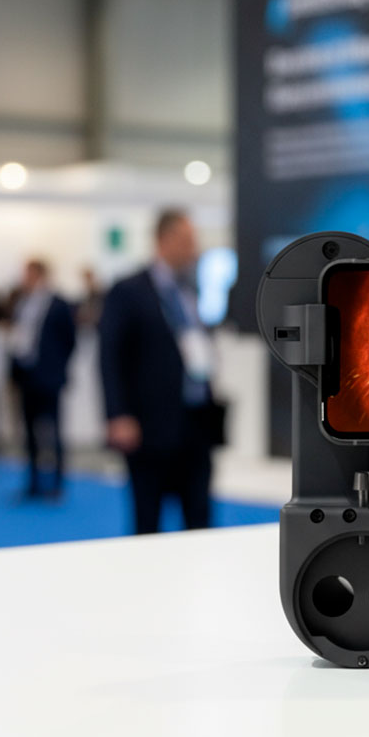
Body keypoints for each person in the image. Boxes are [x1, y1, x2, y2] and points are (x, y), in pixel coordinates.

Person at [99, 209, 223, 534]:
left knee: (199, 516)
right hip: (149, 425)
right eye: (186, 240)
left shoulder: (189, 290)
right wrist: (118, 414)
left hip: (196, 421)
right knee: (148, 519)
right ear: (163, 240)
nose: (193, 248)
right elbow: (110, 356)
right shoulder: (129, 290)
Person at [8, 259, 76, 498]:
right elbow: (18, 337)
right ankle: (34, 482)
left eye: (28, 274)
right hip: (26, 376)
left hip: (49, 377)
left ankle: (56, 483)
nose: (24, 278)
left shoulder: (59, 304)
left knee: (53, 430)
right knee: (29, 432)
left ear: (40, 275)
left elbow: (70, 340)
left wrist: (56, 368)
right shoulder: (22, 303)